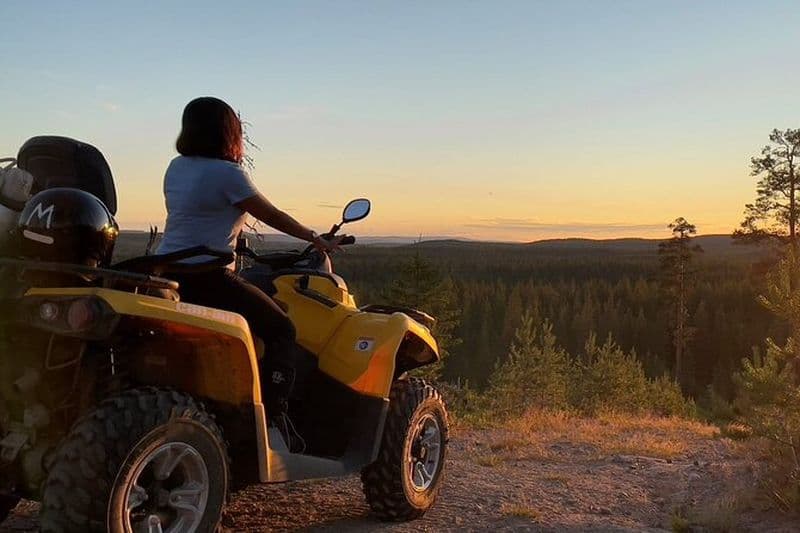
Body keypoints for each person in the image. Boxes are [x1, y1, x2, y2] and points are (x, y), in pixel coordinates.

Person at [157, 96, 340, 451]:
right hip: (208, 276)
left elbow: (199, 216)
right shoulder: (228, 174)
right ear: (229, 132)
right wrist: (314, 238)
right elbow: (270, 214)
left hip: (168, 273)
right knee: (282, 328)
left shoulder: (175, 167)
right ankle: (272, 418)